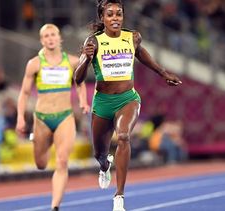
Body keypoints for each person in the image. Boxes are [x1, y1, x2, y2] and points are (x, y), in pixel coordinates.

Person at [74, 0, 182, 210]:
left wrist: (163, 73)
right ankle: (105, 165)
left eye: (119, 14)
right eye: (110, 14)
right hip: (103, 102)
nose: (115, 18)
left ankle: (119, 197)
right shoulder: (94, 41)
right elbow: (77, 78)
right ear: (102, 18)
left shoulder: (132, 37)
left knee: (123, 136)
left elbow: (141, 53)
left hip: (128, 99)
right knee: (99, 153)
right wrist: (86, 59)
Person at [16, 23, 90, 211]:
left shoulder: (73, 61)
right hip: (42, 118)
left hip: (65, 117)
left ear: (59, 38)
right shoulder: (34, 64)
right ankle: (39, 140)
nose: (50, 38)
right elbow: (24, 93)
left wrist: (83, 100)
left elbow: (80, 82)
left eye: (53, 35)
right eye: (46, 36)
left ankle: (55, 206)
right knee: (41, 164)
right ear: (42, 40)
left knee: (62, 161)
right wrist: (20, 118)